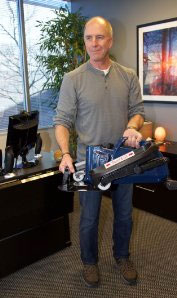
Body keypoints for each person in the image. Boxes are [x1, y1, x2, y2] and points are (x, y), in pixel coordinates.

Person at [54, 16, 145, 288]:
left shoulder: (128, 75)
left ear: (110, 40)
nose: (94, 43)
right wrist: (66, 153)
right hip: (87, 160)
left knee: (125, 215)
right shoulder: (73, 79)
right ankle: (89, 262)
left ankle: (122, 257)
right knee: (89, 218)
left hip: (122, 158)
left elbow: (138, 112)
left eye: (99, 37)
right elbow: (61, 121)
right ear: (85, 42)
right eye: (89, 38)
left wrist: (132, 126)